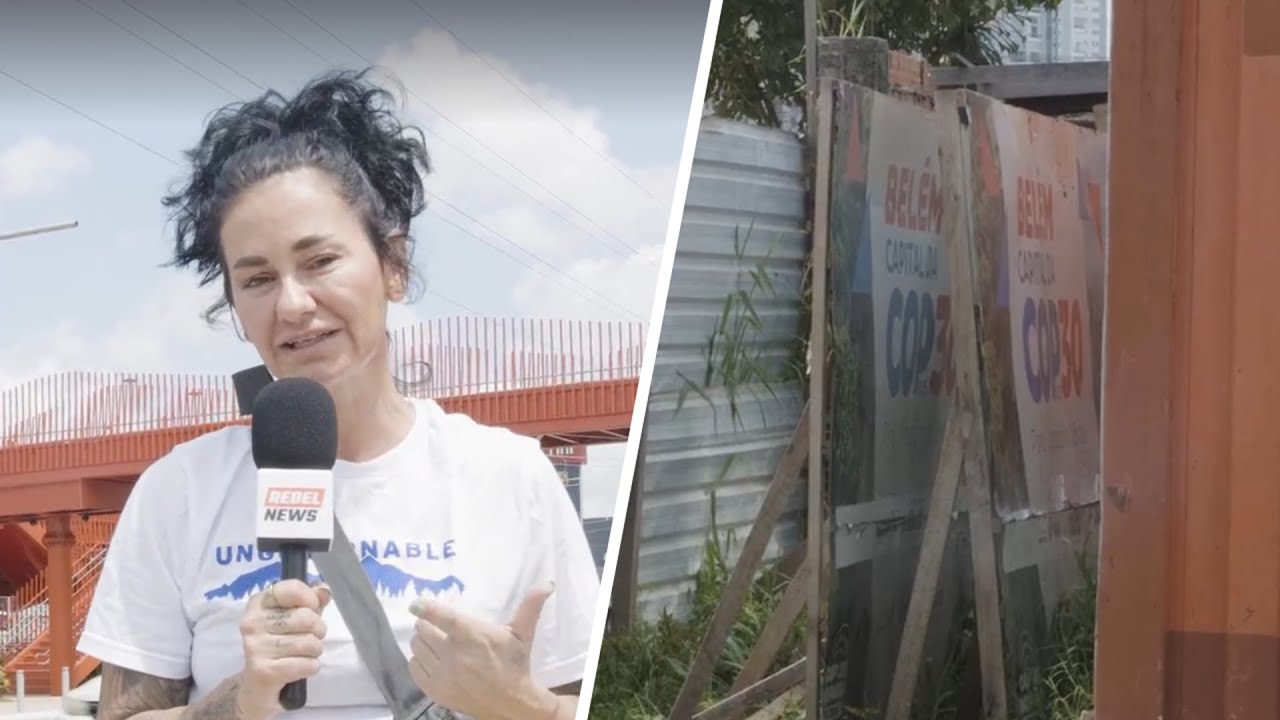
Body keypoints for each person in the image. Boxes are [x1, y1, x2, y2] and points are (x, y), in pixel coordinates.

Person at [77, 68, 600, 720]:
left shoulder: (510, 477)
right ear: (237, 310)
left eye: (320, 261)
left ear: (394, 267)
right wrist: (234, 703)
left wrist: (520, 704)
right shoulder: (178, 491)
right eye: (258, 278)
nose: (294, 304)